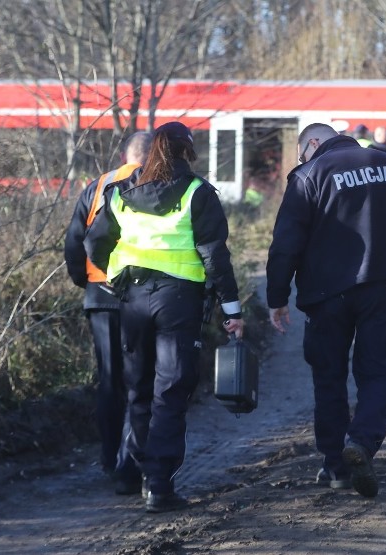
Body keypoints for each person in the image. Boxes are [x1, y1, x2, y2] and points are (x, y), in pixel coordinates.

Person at [84, 121, 244, 513]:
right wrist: (232, 309)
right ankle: (159, 485)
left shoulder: (120, 191)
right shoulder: (198, 192)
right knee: (169, 393)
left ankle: (140, 475)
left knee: (138, 390)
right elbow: (214, 255)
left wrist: (113, 279)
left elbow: (94, 242)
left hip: (133, 300)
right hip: (179, 302)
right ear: (186, 151)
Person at [266, 123, 386, 498]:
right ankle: (362, 443)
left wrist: (276, 297)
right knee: (381, 370)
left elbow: (286, 243)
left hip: (326, 293)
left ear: (315, 143)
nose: (303, 158)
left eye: (303, 151)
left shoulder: (308, 175)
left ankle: (336, 466)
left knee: (329, 375)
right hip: (383, 283)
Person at [63, 131, 152, 494]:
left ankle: (107, 455)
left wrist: (83, 280)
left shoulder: (97, 186)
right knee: (141, 380)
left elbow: (74, 241)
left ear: (123, 154)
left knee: (109, 381)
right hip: (143, 297)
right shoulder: (160, 184)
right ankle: (130, 463)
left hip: (100, 295)